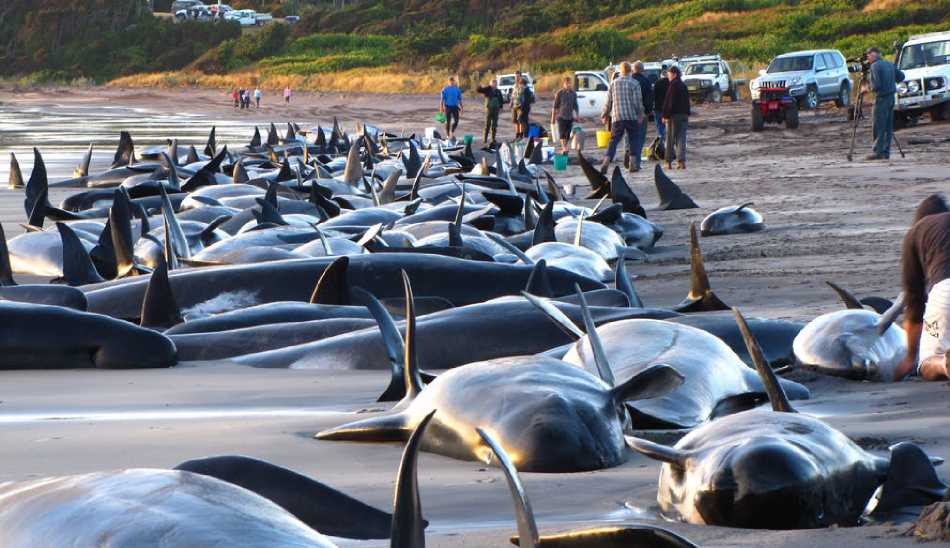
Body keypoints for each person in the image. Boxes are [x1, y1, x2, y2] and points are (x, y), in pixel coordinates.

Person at [896, 195, 950, 380]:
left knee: (926, 363)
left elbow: (914, 303)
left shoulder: (915, 233)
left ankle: (943, 364)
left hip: (945, 289)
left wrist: (910, 357)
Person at [600, 62, 644, 174]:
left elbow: (608, 102)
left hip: (617, 116)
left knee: (614, 140)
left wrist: (604, 115)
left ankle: (606, 160)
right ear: (630, 71)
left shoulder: (613, 84)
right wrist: (640, 114)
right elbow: (637, 102)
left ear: (621, 71)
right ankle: (633, 164)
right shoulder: (635, 83)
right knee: (633, 139)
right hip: (631, 116)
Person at [865, 46, 903, 161]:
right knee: (888, 126)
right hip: (891, 98)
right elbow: (901, 76)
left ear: (874, 54)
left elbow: (876, 86)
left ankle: (878, 152)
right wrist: (891, 81)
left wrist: (867, 88)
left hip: (881, 99)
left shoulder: (875, 66)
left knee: (878, 126)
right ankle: (886, 152)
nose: (867, 57)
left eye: (868, 55)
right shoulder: (889, 64)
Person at [662, 65, 690, 170]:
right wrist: (687, 113)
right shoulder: (683, 85)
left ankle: (668, 162)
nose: (668, 76)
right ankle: (681, 162)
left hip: (673, 116)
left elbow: (669, 103)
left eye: (669, 74)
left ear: (674, 74)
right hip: (684, 115)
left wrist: (665, 115)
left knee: (670, 139)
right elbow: (687, 101)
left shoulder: (673, 85)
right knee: (681, 139)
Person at [630, 61, 654, 172]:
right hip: (642, 114)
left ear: (633, 69)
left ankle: (629, 161)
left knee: (629, 138)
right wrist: (649, 112)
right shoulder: (646, 81)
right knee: (640, 138)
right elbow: (649, 98)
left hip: (628, 114)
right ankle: (637, 163)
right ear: (642, 70)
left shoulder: (628, 80)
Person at [551, 76, 579, 155]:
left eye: (569, 83)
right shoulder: (559, 93)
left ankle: (565, 146)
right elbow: (555, 106)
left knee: (568, 134)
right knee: (562, 133)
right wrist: (553, 117)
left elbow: (575, 106)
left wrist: (577, 116)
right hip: (561, 116)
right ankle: (564, 147)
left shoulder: (573, 94)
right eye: (567, 83)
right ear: (564, 84)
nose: (568, 85)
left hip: (570, 117)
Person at [476, 78, 504, 147]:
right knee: (487, 124)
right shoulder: (487, 89)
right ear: (490, 84)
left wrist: (501, 107)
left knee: (494, 125)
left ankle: (493, 139)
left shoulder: (498, 91)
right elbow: (478, 90)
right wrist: (481, 86)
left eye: (495, 83)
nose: (494, 85)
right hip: (489, 109)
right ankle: (485, 139)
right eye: (493, 83)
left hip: (496, 110)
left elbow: (501, 100)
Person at [510, 73, 534, 140]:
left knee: (522, 121)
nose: (516, 78)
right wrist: (511, 103)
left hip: (521, 107)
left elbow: (528, 100)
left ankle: (522, 136)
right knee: (516, 121)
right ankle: (518, 136)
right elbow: (513, 95)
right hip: (515, 106)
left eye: (518, 76)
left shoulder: (525, 88)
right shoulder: (515, 86)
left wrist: (523, 107)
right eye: (515, 76)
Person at [653, 64, 670, 142]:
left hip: (658, 108)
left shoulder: (657, 83)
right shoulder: (671, 83)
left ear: (661, 75)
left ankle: (661, 142)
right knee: (669, 126)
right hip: (668, 109)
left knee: (660, 126)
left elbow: (654, 96)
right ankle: (669, 143)